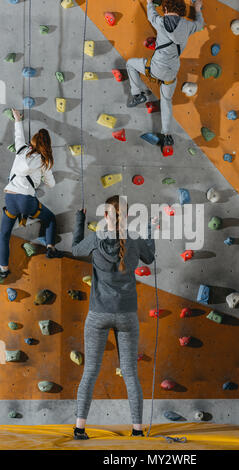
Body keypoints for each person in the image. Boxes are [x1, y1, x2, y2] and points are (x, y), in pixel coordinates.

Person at [72, 196, 155, 440]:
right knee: (130, 374)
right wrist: (150, 229)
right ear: (126, 216)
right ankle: (138, 430)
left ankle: (79, 428)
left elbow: (76, 249)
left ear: (105, 215)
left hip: (98, 314)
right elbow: (149, 257)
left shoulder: (96, 240)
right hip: (127, 315)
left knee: (90, 372)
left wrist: (80, 220)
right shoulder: (135, 240)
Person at [126, 0, 204, 148]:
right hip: (171, 73)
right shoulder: (187, 26)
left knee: (130, 64)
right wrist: (198, 9)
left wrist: (149, 2)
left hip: (155, 68)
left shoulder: (161, 22)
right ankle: (167, 135)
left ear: (166, 8)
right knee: (166, 100)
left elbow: (151, 15)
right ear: (181, 11)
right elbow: (199, 24)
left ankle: (137, 94)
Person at [0, 109, 63, 278]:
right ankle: (50, 247)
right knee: (49, 218)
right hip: (27, 201)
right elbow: (51, 184)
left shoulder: (21, 150)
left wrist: (18, 119)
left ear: (33, 142)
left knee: (4, 234)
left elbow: (18, 135)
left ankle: (3, 269)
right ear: (47, 146)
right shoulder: (44, 160)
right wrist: (44, 175)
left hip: (11, 198)